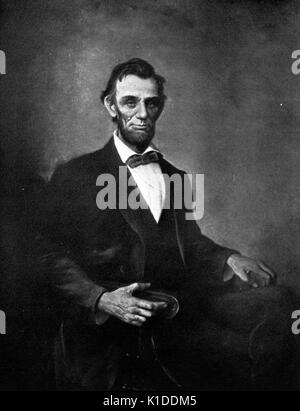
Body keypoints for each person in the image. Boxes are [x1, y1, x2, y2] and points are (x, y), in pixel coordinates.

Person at [37, 58, 296, 390]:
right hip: (106, 333)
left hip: (172, 318)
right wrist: (101, 298)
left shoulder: (175, 177)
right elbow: (47, 257)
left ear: (160, 107)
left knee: (280, 303)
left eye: (151, 103)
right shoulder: (76, 174)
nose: (142, 113)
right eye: (131, 101)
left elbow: (190, 244)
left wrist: (228, 258)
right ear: (110, 105)